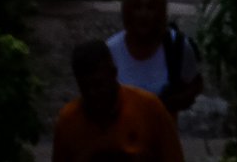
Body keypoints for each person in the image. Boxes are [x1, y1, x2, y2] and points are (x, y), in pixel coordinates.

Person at [52, 36, 184, 162]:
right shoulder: (68, 121)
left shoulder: (149, 109)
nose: (93, 93)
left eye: (99, 85)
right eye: (85, 88)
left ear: (113, 74)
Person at [111, 0, 205, 116]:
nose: (144, 14)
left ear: (160, 12)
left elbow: (194, 85)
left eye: (150, 8)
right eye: (137, 7)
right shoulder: (111, 49)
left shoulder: (177, 46)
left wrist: (167, 104)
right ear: (128, 12)